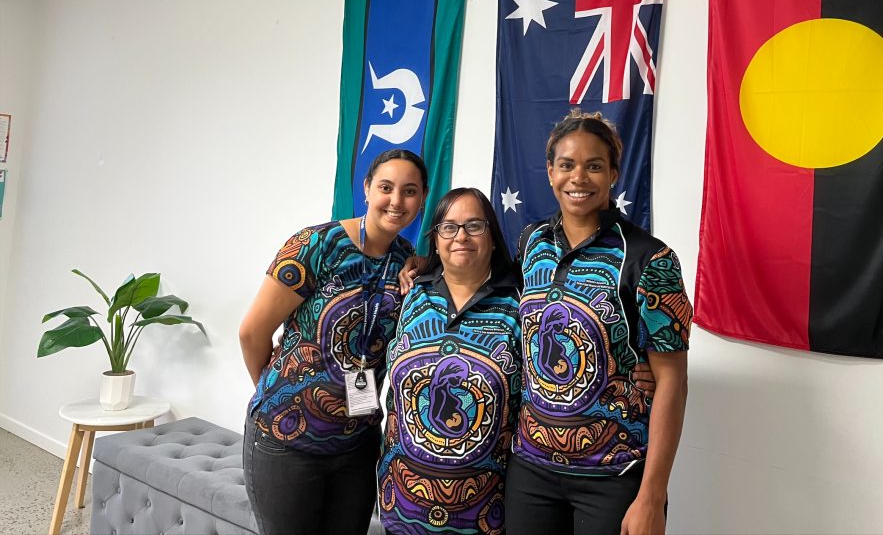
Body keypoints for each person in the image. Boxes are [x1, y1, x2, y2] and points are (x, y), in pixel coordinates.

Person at [504, 110, 692, 535]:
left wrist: (652, 497)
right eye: (567, 165)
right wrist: (418, 267)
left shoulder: (651, 259)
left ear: (613, 174)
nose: (579, 178)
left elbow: (673, 383)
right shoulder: (530, 243)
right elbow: (482, 289)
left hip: (614, 475)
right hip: (530, 469)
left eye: (594, 166)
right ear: (551, 172)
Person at [238, 149, 428, 535]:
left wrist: (428, 264)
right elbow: (252, 333)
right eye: (386, 188)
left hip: (357, 443)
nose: (396, 201)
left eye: (410, 191)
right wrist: (278, 393)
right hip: (286, 440)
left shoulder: (405, 260)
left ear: (422, 198)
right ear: (367, 189)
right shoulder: (316, 245)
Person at [379, 187, 521, 535]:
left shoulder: (521, 303)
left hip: (485, 510)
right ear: (437, 237)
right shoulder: (409, 295)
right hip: (402, 501)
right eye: (449, 226)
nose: (461, 236)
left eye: (474, 225)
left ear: (491, 235)